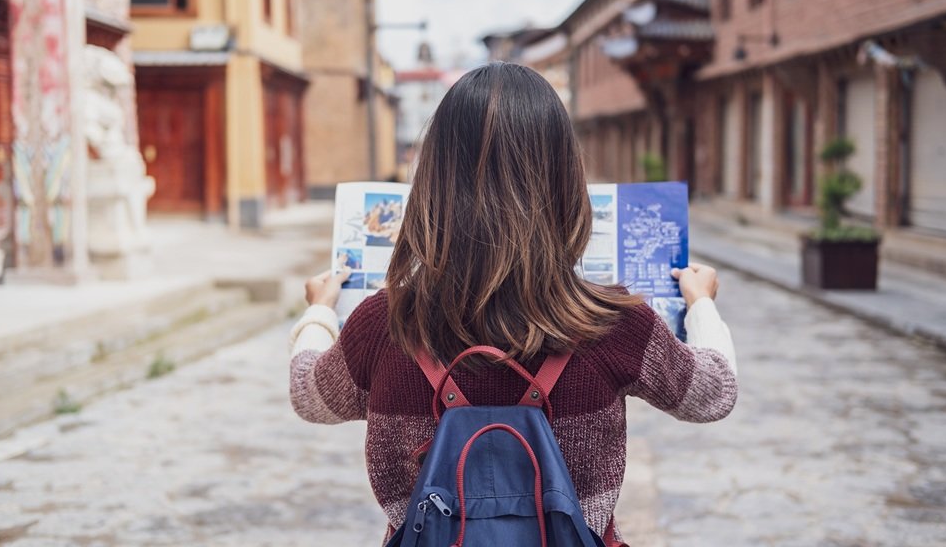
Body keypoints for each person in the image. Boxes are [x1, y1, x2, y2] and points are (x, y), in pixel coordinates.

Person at [290, 63, 737, 544]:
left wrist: (319, 311)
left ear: (433, 183)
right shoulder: (616, 323)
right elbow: (713, 394)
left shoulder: (382, 324)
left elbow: (310, 396)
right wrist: (700, 305)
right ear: (565, 181)